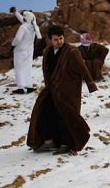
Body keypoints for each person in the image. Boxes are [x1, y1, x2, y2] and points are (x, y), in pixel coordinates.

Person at [27, 26, 97, 155]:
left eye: (61, 38)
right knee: (45, 113)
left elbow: (83, 68)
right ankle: (49, 142)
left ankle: (66, 144)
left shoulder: (71, 51)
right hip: (52, 90)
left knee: (64, 117)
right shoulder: (47, 52)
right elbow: (47, 70)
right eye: (56, 39)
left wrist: (90, 84)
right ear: (50, 40)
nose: (59, 42)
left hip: (68, 91)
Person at [10, 7, 41, 94]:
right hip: (29, 51)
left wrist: (13, 45)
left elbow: (18, 38)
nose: (23, 17)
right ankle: (29, 86)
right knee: (27, 68)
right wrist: (16, 13)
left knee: (19, 68)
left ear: (26, 18)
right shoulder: (34, 26)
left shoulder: (23, 27)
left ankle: (21, 88)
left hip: (20, 51)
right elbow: (23, 19)